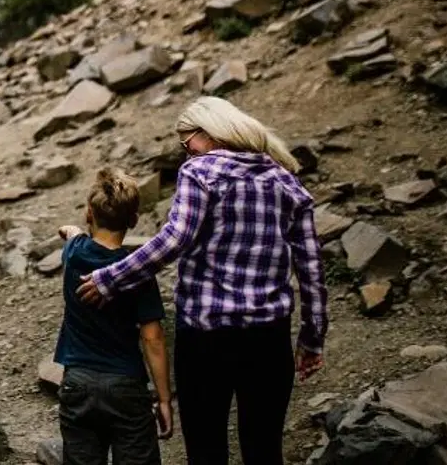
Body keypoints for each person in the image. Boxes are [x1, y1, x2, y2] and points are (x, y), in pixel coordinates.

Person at [76, 96, 328, 465]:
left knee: (206, 450)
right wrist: (313, 336)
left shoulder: (200, 171)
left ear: (208, 133)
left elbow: (175, 239)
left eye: (186, 142)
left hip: (205, 339)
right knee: (264, 448)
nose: (186, 152)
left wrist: (111, 278)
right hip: (268, 338)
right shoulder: (285, 181)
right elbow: (311, 268)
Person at [53, 167, 174, 465]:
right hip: (125, 385)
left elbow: (73, 234)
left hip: (77, 383)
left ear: (89, 214)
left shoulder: (74, 252)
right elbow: (152, 337)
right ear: (133, 221)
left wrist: (72, 230)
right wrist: (164, 399)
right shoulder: (136, 272)